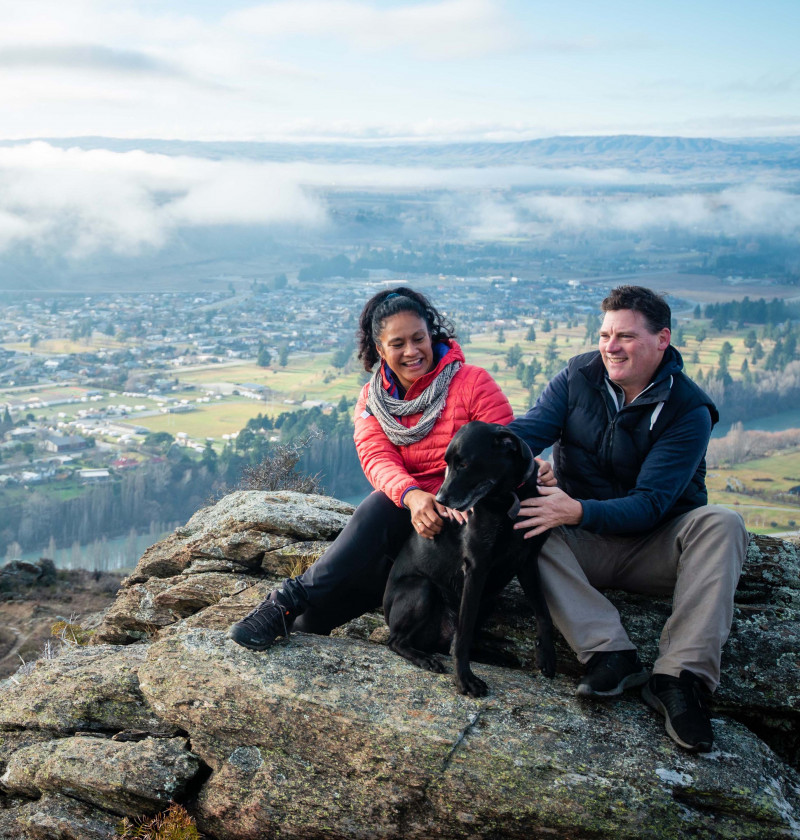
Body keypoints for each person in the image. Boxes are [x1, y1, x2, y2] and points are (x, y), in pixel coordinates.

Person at [509, 285, 748, 753]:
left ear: (663, 339)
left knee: (723, 522)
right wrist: (512, 458)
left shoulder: (688, 409)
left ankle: (679, 679)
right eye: (604, 334)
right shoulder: (579, 375)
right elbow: (527, 432)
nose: (610, 347)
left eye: (625, 336)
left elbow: (653, 503)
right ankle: (609, 652)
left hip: (656, 546)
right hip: (585, 543)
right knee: (521, 519)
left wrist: (576, 509)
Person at [229, 286, 516, 649]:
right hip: (407, 520)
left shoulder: (473, 383)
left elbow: (503, 453)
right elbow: (376, 457)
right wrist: (414, 497)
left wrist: (445, 500)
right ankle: (290, 612)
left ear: (432, 335)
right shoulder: (372, 399)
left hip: (461, 524)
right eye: (398, 344)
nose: (412, 352)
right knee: (311, 622)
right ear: (380, 350)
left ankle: (283, 600)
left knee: (379, 506)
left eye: (418, 338)